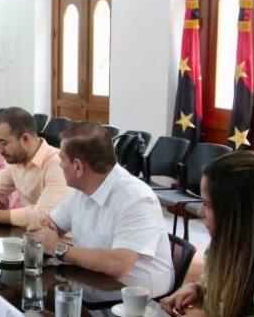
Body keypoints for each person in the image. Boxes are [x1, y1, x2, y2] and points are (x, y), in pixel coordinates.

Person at [29, 121, 173, 297]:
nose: (60, 165)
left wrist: (59, 248)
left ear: (78, 167)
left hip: (137, 302)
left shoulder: (136, 198)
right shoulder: (80, 191)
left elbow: (119, 264)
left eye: (62, 159)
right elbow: (47, 227)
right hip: (93, 286)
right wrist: (44, 234)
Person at [160, 151, 254, 316]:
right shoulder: (226, 246)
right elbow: (224, 298)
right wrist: (197, 289)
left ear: (240, 214)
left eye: (208, 204)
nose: (200, 212)